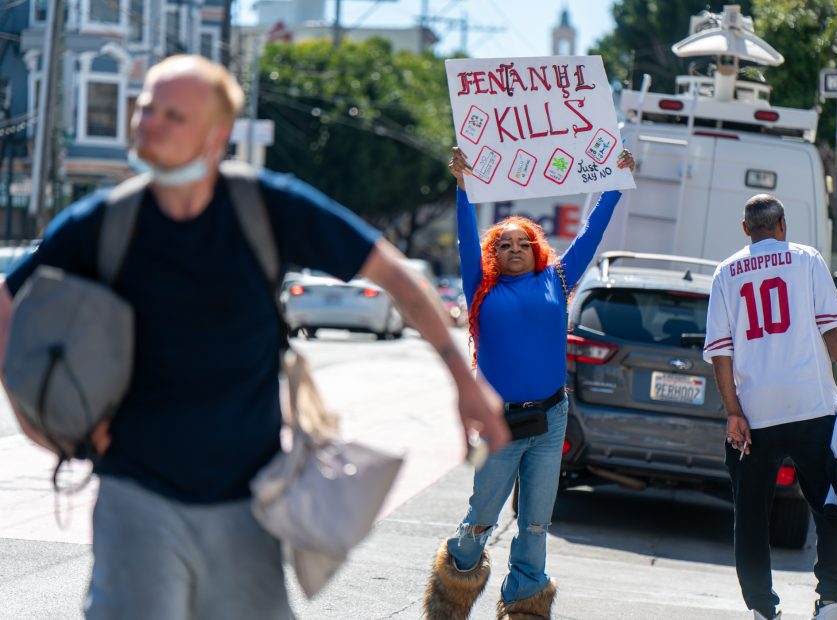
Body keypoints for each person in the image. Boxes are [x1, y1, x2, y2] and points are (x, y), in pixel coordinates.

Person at [0, 55, 509, 619]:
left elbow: (395, 277)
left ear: (216, 136)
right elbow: (5, 302)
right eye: (145, 107)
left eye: (173, 114)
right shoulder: (103, 220)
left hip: (248, 501)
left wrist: (464, 383)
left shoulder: (265, 206)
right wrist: (36, 417)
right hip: (134, 494)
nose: (149, 122)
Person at [422, 146, 634, 620]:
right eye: (504, 244)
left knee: (536, 522)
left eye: (522, 243)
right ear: (492, 253)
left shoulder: (557, 279)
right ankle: (451, 597)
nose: (514, 249)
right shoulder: (481, 287)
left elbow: (592, 235)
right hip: (498, 423)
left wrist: (616, 184)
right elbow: (462, 238)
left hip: (550, 416)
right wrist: (462, 187)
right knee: (480, 521)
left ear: (535, 248)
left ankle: (524, 607)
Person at [703, 194, 837, 620]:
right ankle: (830, 601)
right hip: (811, 406)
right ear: (783, 225)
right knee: (832, 504)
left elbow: (721, 353)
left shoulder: (726, 272)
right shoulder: (807, 259)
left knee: (751, 516)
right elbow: (833, 328)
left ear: (745, 230)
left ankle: (762, 609)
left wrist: (733, 412)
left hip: (756, 413)